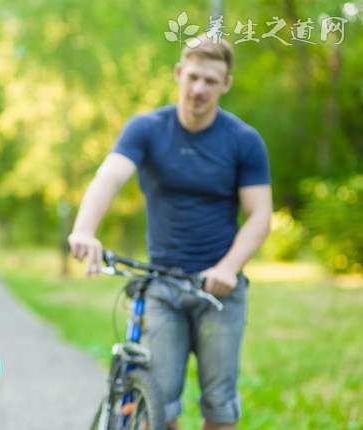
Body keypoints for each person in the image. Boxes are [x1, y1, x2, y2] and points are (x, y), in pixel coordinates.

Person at [68, 36, 272, 430]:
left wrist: (229, 268)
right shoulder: (147, 129)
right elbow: (109, 178)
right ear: (179, 73)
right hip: (162, 285)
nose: (199, 89)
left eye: (210, 81)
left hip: (220, 290)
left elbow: (261, 216)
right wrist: (84, 230)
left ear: (225, 83)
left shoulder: (243, 140)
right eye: (193, 77)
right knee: (158, 402)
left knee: (219, 404)